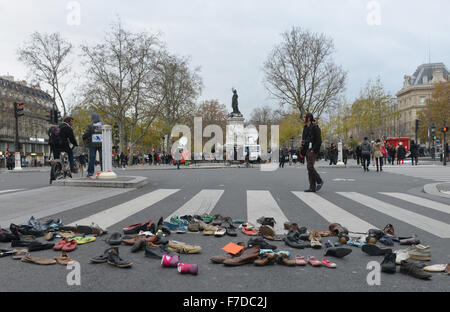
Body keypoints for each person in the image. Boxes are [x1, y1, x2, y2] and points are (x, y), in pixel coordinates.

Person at [301, 113, 323, 192]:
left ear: (309, 118)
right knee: (309, 168)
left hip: (312, 150)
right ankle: (312, 187)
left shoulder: (315, 127)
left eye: (304, 117)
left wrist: (313, 149)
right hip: (307, 149)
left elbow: (319, 140)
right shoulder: (305, 128)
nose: (303, 118)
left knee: (310, 167)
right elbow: (304, 138)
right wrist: (302, 142)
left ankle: (319, 181)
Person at [82, 113, 103, 178]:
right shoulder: (103, 124)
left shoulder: (90, 125)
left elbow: (86, 134)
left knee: (92, 159)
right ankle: (103, 171)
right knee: (102, 158)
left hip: (92, 144)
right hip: (101, 144)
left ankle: (90, 173)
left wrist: (84, 137)